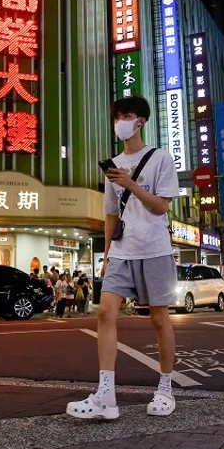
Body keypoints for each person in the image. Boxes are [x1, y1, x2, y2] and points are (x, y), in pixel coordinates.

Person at [67, 95, 180, 420]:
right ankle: (105, 397)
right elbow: (111, 215)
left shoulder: (160, 158)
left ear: (140, 121)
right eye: (116, 117)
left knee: (159, 320)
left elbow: (161, 206)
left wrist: (130, 182)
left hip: (155, 249)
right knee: (104, 313)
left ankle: (165, 388)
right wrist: (106, 252)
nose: (120, 122)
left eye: (126, 116)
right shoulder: (113, 165)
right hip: (122, 251)